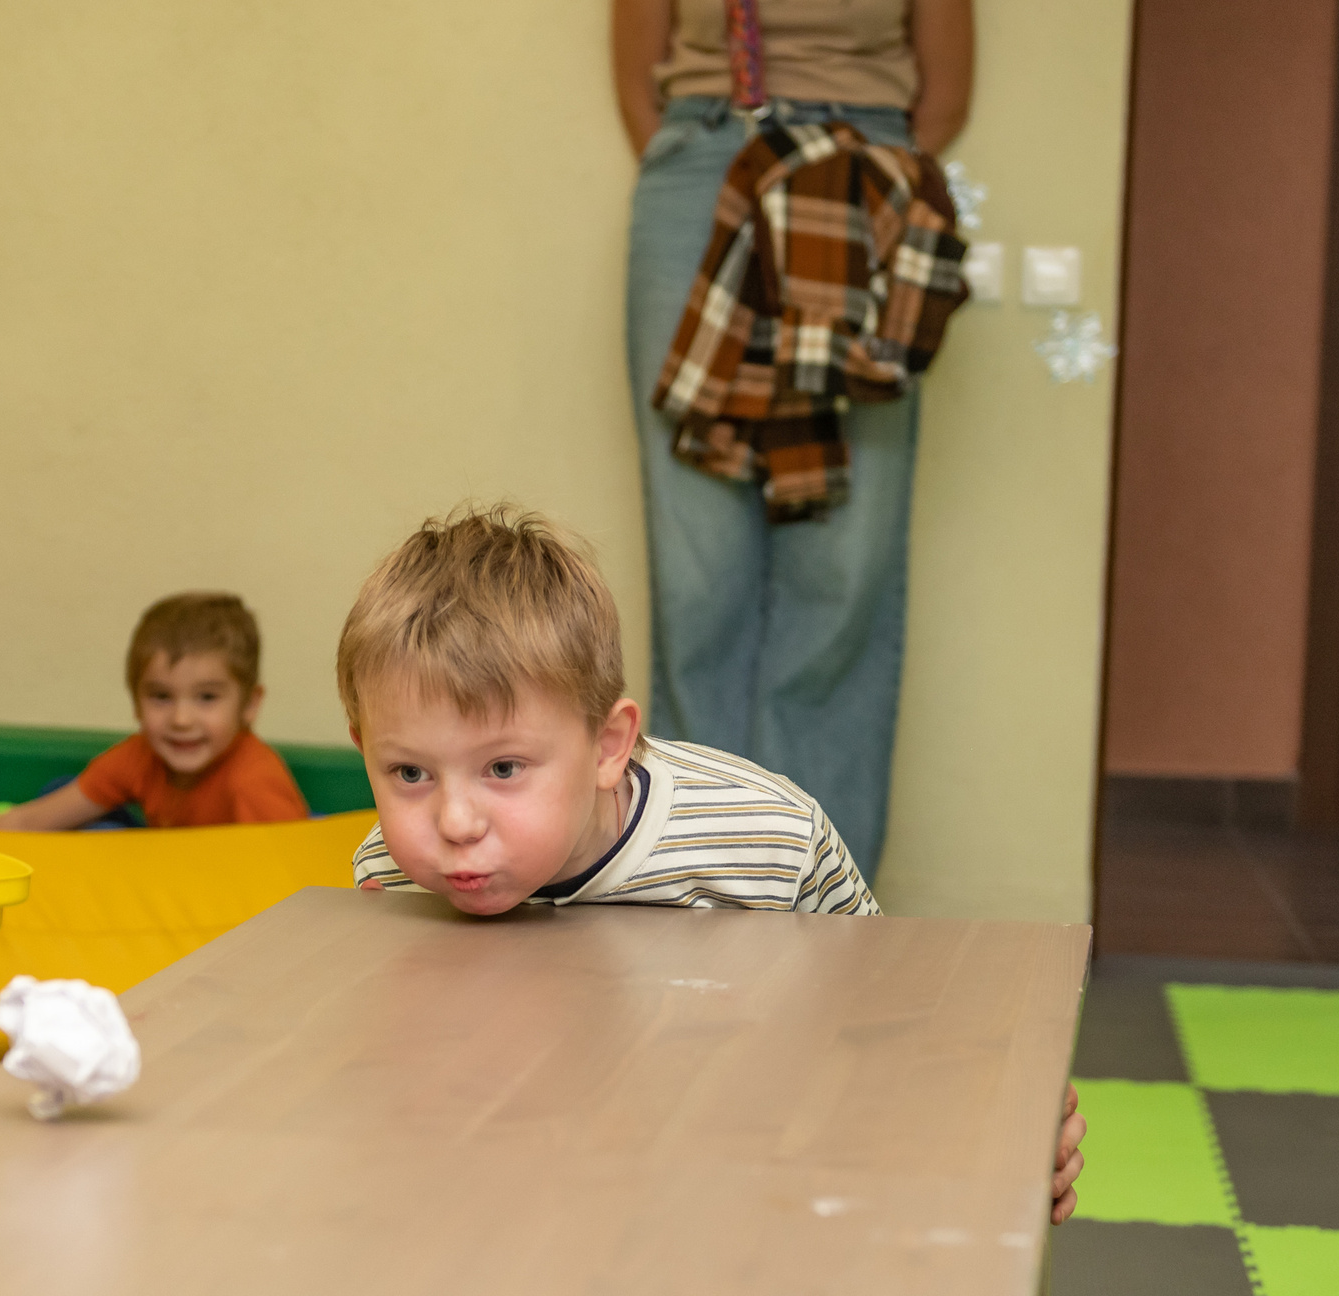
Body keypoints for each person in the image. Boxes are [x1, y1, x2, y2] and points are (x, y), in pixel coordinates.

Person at [337, 506, 1081, 1220]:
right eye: (409, 774)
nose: (454, 823)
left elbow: (881, 1015)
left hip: (747, 1165)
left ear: (606, 747)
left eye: (502, 768)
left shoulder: (766, 838)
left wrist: (997, 1122)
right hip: (542, 1176)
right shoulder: (393, 874)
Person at [611, 0, 974, 869]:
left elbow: (947, 90)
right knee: (698, 569)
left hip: (862, 173)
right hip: (704, 164)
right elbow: (637, 73)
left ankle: (817, 886)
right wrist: (721, 168)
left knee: (844, 566)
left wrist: (862, 189)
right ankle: (699, 872)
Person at [0, 592, 309, 831]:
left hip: (220, 892)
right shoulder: (139, 757)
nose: (181, 720)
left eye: (207, 697)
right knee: (61, 791)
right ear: (135, 702)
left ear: (250, 704)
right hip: (159, 875)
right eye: (161, 696)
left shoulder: (253, 782)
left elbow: (288, 875)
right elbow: (29, 819)